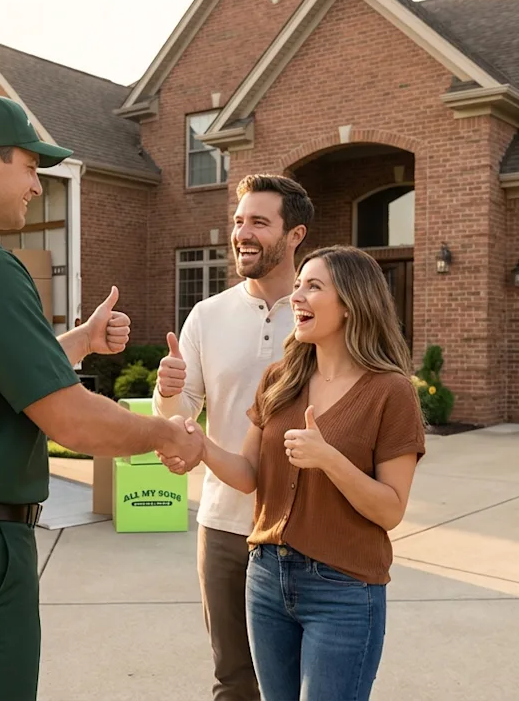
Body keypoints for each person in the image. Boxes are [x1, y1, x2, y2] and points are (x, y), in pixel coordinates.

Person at [0, 92, 205, 701]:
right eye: (31, 166)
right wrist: (164, 433)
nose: (36, 185)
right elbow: (71, 421)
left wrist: (79, 341)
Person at [160, 244, 426, 701]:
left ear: (351, 304)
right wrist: (201, 446)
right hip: (265, 578)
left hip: (343, 589)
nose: (297, 296)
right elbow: (247, 474)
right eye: (298, 284)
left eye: (314, 287)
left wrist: (329, 459)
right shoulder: (280, 378)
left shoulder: (391, 392)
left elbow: (390, 510)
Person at [153, 173, 312, 701]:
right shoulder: (208, 314)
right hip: (224, 526)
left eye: (259, 223)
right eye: (239, 221)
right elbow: (183, 414)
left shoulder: (322, 313)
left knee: (299, 684)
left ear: (295, 235)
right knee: (232, 681)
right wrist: (168, 389)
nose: (243, 233)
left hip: (306, 528)